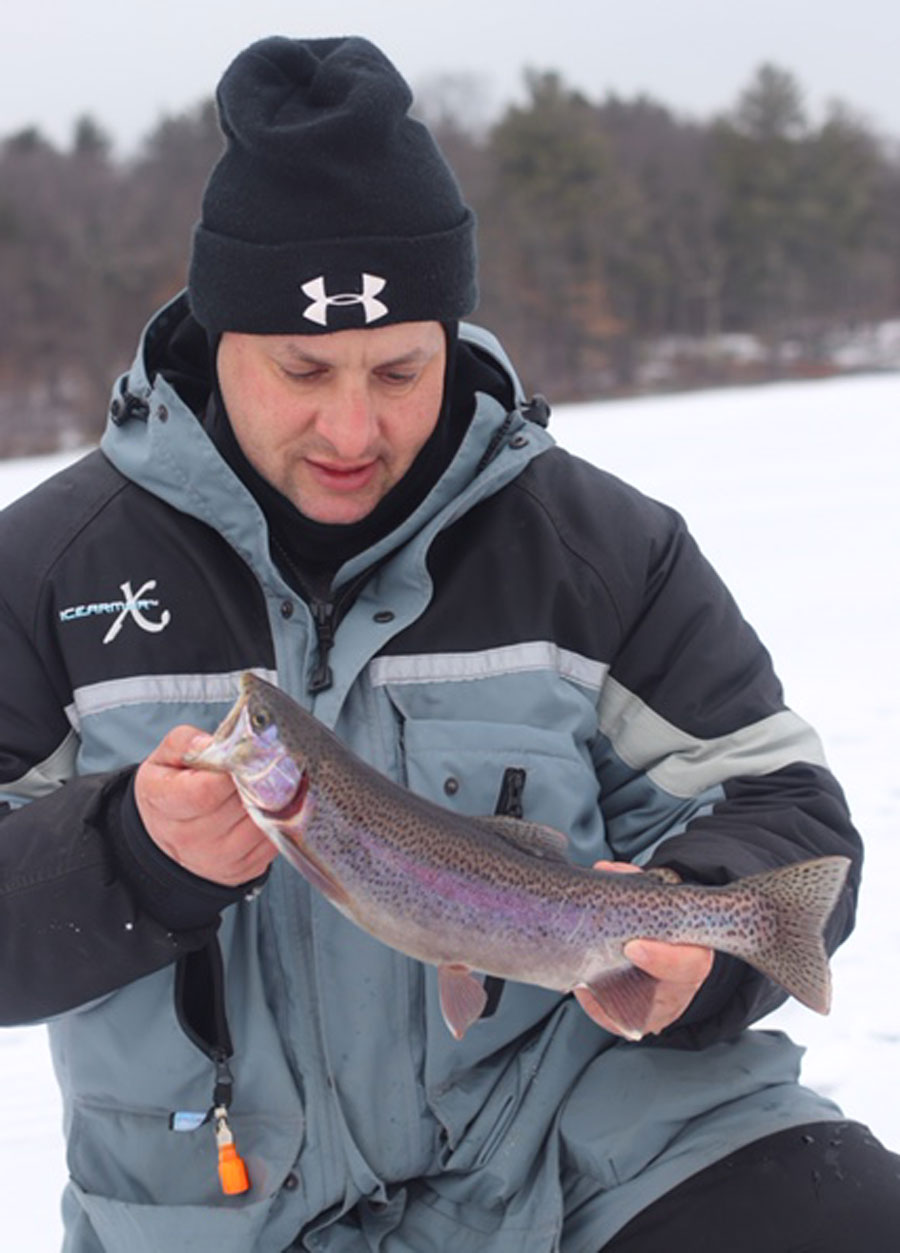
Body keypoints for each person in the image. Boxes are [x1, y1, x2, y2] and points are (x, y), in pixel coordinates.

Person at [0, 34, 896, 1253]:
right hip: (218, 1209)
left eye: (400, 367)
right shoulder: (48, 570)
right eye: (304, 369)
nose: (352, 426)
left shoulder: (601, 546)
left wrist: (699, 930)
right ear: (218, 339)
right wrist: (134, 857)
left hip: (595, 1145)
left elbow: (782, 801)